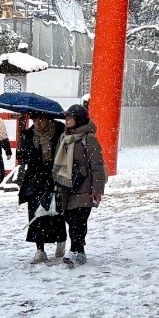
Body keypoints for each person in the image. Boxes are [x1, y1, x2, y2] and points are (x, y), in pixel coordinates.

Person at [53, 104, 106, 267]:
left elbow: (97, 165)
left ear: (79, 119)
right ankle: (80, 251)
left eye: (70, 117)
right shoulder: (64, 138)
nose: (67, 120)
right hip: (67, 187)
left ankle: (74, 251)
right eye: (66, 117)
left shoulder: (88, 139)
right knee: (70, 219)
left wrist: (97, 190)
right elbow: (58, 163)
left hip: (84, 186)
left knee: (79, 220)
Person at [16, 113, 67, 264]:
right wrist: (23, 147)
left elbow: (64, 156)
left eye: (41, 119)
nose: (37, 123)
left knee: (55, 211)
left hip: (54, 178)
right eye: (35, 120)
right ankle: (40, 249)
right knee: (36, 213)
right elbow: (23, 158)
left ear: (48, 119)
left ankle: (60, 240)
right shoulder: (29, 135)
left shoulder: (59, 133)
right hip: (35, 179)